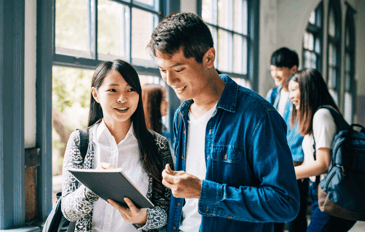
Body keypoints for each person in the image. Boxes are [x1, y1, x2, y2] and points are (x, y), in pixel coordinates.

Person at [147, 12, 300, 232]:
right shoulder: (181, 115)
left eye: (178, 69)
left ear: (209, 58)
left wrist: (203, 190)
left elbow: (285, 202)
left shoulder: (258, 116)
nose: (170, 81)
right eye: (163, 71)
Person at [61, 60, 174, 232]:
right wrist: (95, 185)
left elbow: (166, 209)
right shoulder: (80, 141)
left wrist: (143, 218)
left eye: (130, 90)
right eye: (112, 90)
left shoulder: (158, 145)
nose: (123, 98)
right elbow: (68, 210)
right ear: (96, 94)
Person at [288, 69, 357, 232]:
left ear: (307, 90)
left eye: (293, 90)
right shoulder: (317, 116)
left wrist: (288, 172)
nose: (290, 96)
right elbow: (313, 159)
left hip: (332, 193)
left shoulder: (322, 115)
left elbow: (323, 163)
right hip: (322, 192)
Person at [266, 47, 308, 232]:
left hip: (296, 162)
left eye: (280, 68)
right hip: (274, 163)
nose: (275, 73)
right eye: (273, 68)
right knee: (274, 214)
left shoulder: (301, 95)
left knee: (295, 217)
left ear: (293, 69)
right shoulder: (272, 94)